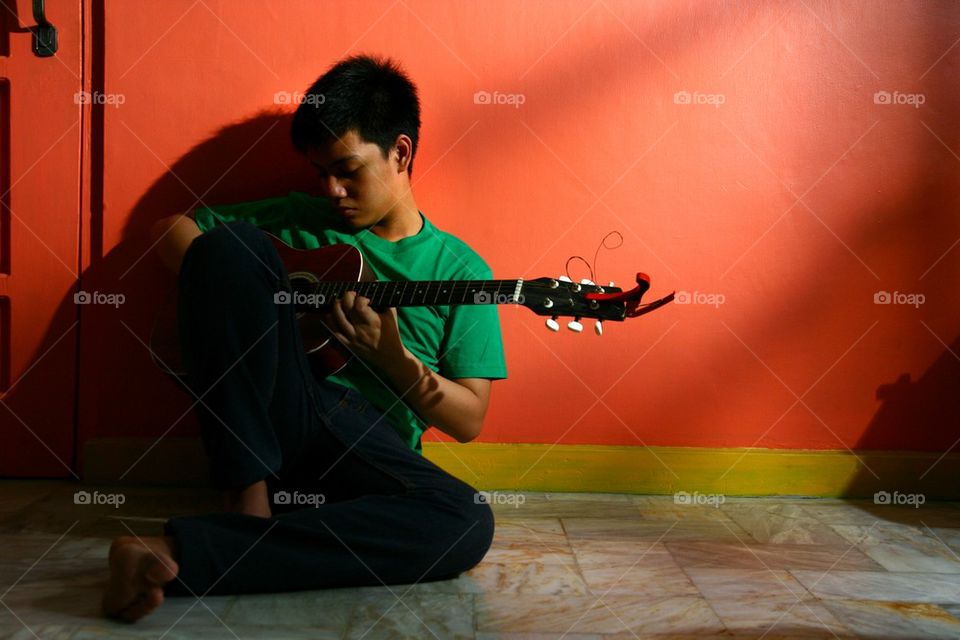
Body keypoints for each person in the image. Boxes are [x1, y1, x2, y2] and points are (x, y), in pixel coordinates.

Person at [102, 53, 507, 623]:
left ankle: (182, 554)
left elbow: (468, 420)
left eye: (347, 169)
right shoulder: (299, 221)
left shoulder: (461, 272)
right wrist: (244, 298)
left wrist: (390, 357)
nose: (333, 190)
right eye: (321, 173)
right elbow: (169, 228)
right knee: (231, 245)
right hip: (278, 410)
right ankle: (246, 495)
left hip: (369, 455)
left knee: (465, 521)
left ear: (400, 152)